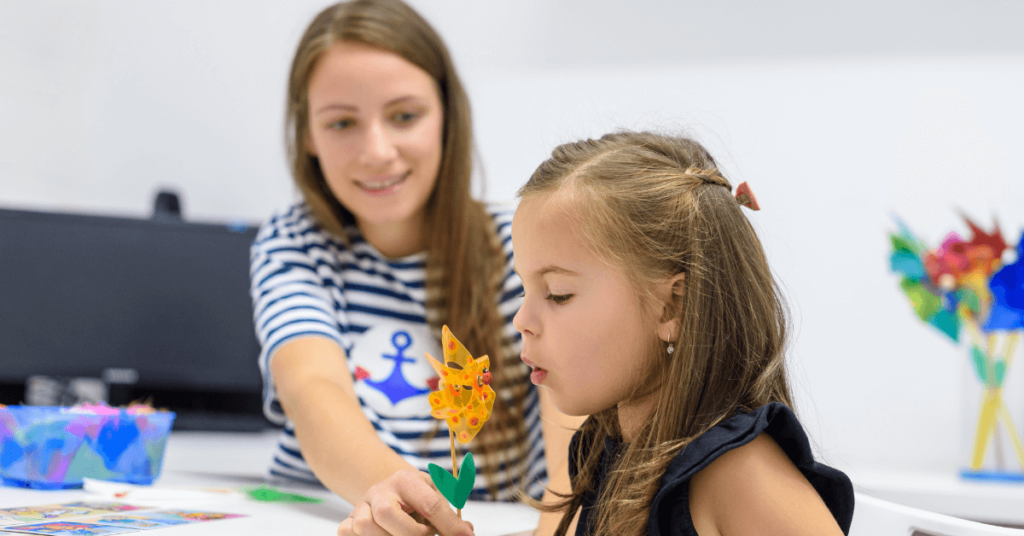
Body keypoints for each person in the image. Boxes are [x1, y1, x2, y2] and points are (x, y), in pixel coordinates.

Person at [249, 1, 578, 534]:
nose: (377, 151)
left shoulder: (514, 244)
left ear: (447, 116)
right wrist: (406, 504)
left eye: (404, 115)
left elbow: (572, 411)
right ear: (307, 133)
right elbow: (311, 389)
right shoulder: (294, 243)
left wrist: (561, 520)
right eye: (341, 123)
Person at [511, 131, 855, 536]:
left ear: (673, 306)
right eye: (523, 288)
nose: (521, 319)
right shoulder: (606, 452)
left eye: (558, 295)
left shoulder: (738, 475)